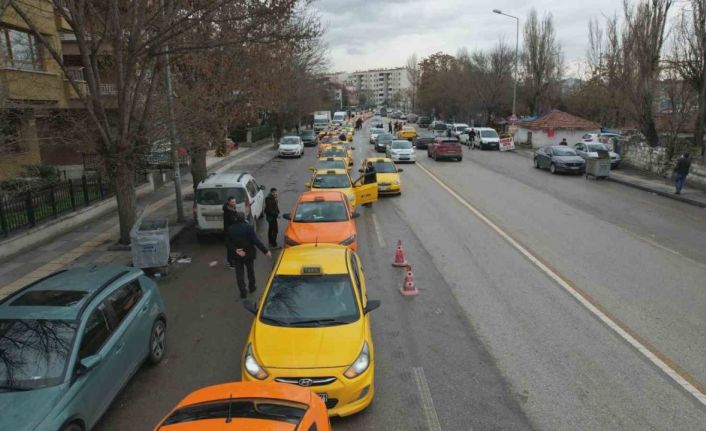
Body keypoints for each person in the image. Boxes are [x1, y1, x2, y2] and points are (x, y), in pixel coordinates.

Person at [226, 212, 271, 299]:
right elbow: (256, 241)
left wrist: (236, 250)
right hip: (248, 254)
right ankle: (252, 287)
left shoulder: (230, 229)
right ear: (244, 218)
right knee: (250, 271)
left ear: (235, 219)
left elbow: (227, 243)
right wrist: (265, 251)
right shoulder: (249, 228)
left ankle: (243, 292)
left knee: (239, 274)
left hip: (237, 255)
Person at [222, 196, 240, 268]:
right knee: (230, 247)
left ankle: (232, 261)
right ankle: (231, 263)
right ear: (229, 202)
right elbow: (233, 220)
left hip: (231, 231)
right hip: (229, 231)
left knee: (232, 246)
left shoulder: (231, 208)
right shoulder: (228, 211)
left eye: (235, 202)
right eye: (232, 202)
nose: (234, 203)